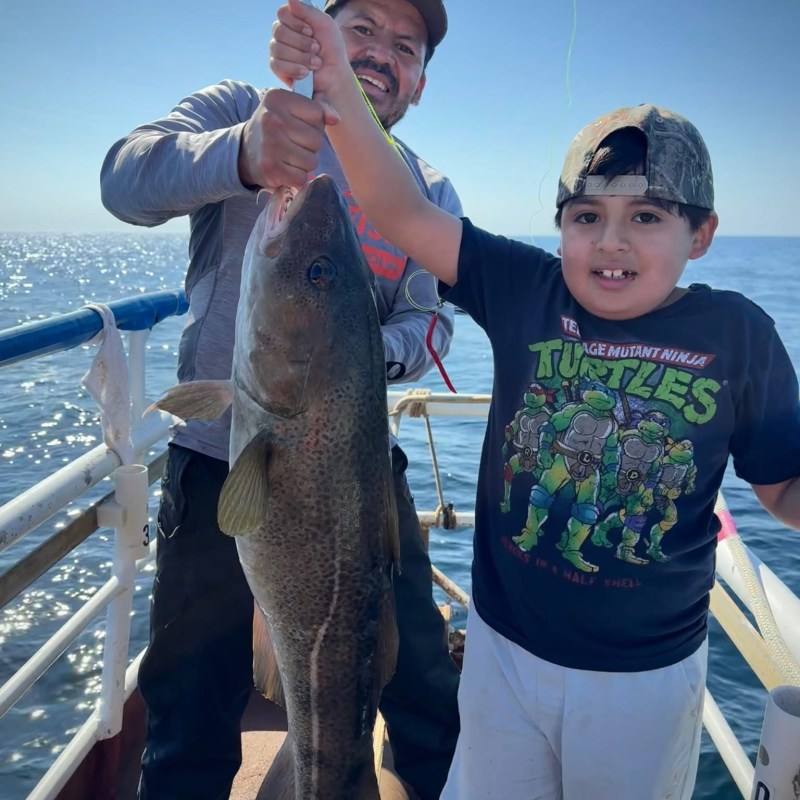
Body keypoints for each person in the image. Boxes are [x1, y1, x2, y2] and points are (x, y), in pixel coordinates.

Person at [269, 4, 800, 797]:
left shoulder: (740, 333)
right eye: (587, 217)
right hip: (503, 653)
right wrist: (337, 77)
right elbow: (399, 209)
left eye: (646, 217)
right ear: (559, 229)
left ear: (703, 234)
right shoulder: (525, 287)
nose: (611, 242)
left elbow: (782, 488)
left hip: (645, 677)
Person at [100, 2, 461, 798]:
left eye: (405, 46)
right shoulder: (240, 111)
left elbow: (428, 323)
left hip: (361, 469)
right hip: (218, 463)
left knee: (426, 686)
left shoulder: (426, 188)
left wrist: (366, 353)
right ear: (320, 38)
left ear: (420, 83)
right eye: (361, 27)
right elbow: (123, 178)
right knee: (190, 706)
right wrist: (242, 152)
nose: (381, 53)